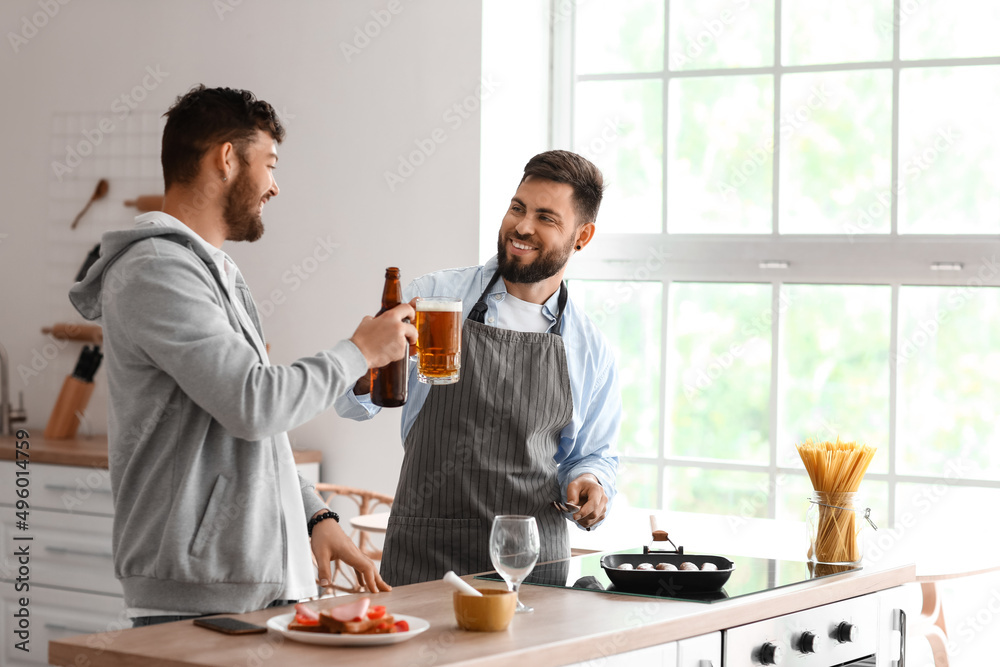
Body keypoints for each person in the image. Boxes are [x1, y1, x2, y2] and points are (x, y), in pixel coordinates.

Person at [69, 85, 415, 626]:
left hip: (248, 589)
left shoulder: (213, 271)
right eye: (270, 164)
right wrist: (358, 352)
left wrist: (314, 515)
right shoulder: (156, 271)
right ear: (227, 159)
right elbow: (253, 404)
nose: (275, 186)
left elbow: (252, 426)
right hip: (199, 596)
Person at [336, 150, 622, 586]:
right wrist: (368, 363)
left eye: (546, 217)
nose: (522, 226)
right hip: (426, 553)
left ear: (582, 236)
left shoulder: (589, 346)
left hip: (531, 564)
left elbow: (592, 456)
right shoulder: (434, 297)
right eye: (517, 208)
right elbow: (351, 405)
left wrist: (591, 482)